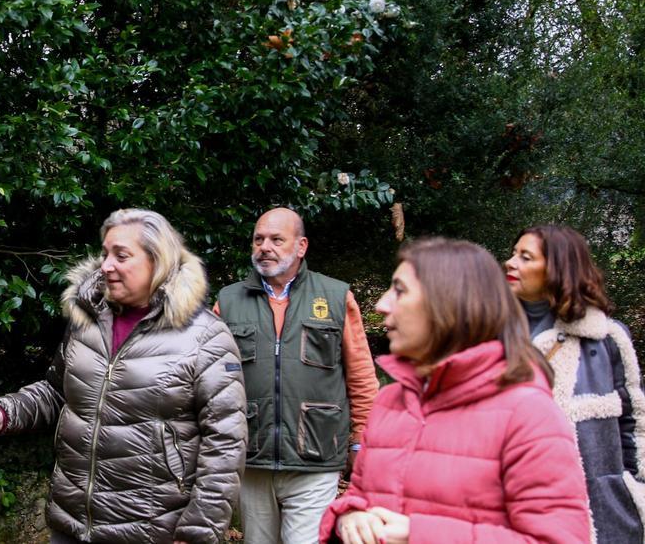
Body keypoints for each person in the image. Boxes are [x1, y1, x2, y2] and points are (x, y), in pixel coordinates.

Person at [0, 209, 246, 544]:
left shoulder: (205, 337)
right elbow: (57, 391)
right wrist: (4, 414)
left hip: (152, 530)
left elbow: (225, 442)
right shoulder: (88, 321)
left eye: (121, 255)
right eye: (106, 253)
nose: (106, 265)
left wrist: (197, 530)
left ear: (158, 261)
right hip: (72, 523)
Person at [321, 238, 590, 544]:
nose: (382, 304)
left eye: (399, 290)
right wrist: (349, 516)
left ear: (448, 303)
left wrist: (420, 536)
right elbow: (359, 494)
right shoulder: (389, 401)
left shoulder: (529, 414)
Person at [214, 207, 378, 544]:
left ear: (301, 246)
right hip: (252, 458)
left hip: (315, 458)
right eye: (258, 239)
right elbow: (210, 379)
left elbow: (361, 378)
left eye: (277, 239)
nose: (265, 246)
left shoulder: (335, 297)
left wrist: (362, 441)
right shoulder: (228, 301)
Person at [505, 225, 645, 542]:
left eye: (525, 257)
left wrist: (633, 486)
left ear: (557, 268)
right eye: (513, 254)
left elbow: (634, 420)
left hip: (600, 507)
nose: (510, 263)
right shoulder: (491, 334)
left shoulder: (607, 338)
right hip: (517, 503)